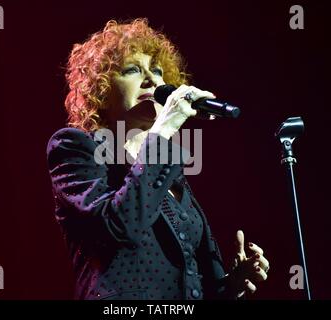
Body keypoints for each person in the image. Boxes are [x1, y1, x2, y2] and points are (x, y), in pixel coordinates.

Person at [46, 18, 270, 300]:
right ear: (101, 88)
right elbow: (118, 227)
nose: (152, 79)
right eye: (132, 70)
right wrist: (163, 131)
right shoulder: (75, 147)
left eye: (157, 70)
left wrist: (230, 285)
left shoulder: (169, 169)